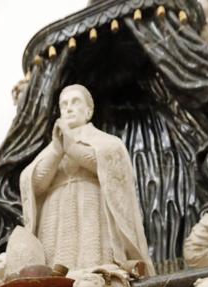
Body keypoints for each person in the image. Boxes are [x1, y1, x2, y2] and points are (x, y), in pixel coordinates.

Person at [19, 84, 154, 275]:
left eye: (75, 102)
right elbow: (36, 185)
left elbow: (106, 167)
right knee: (54, 271)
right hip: (55, 214)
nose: (69, 108)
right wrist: (57, 151)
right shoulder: (51, 150)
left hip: (91, 206)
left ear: (89, 111)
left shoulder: (107, 143)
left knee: (93, 263)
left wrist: (71, 147)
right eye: (63, 104)